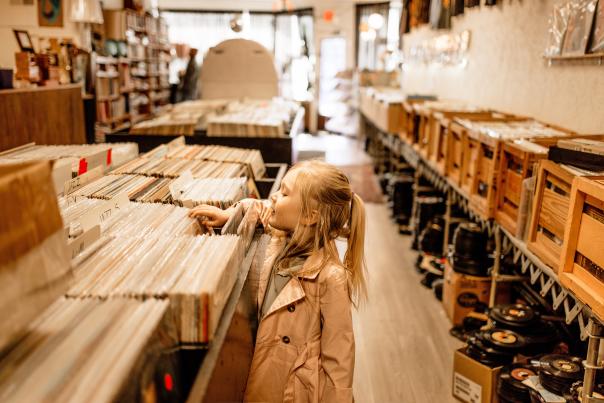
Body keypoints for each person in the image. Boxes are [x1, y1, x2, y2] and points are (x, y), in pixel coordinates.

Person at [188, 160, 367, 402]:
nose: (273, 196)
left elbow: (339, 356)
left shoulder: (330, 277)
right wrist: (232, 213)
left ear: (310, 216)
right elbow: (259, 207)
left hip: (293, 390)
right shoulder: (282, 236)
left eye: (284, 192)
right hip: (264, 373)